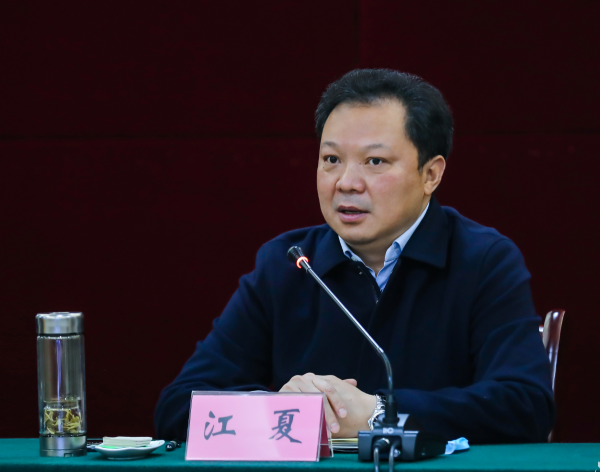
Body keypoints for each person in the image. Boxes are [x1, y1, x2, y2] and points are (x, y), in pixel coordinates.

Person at [155, 69, 555, 443]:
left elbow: (526, 405)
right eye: (331, 160)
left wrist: (379, 414)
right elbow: (178, 407)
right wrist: (282, 410)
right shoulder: (289, 263)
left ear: (431, 174)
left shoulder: (483, 260)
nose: (346, 183)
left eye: (375, 162)